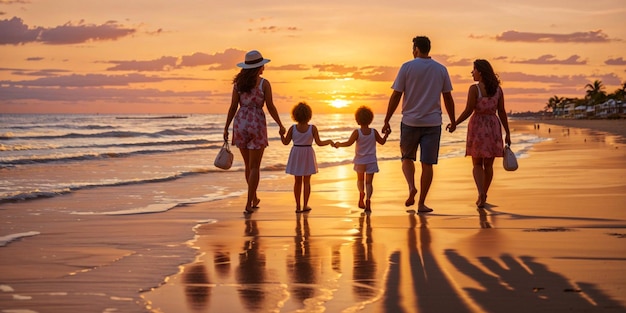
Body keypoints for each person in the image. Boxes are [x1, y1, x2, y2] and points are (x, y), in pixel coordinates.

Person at [382, 35, 456, 213]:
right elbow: (447, 97)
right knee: (427, 164)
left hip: (410, 122)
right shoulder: (441, 69)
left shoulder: (407, 67)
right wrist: (453, 120)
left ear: (416, 48)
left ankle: (411, 187)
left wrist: (386, 119)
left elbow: (396, 95)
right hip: (433, 122)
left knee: (407, 158)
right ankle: (422, 203)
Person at [224, 50, 286, 215]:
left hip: (240, 122)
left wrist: (226, 127)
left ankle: (254, 198)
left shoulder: (238, 84)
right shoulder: (263, 83)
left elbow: (232, 107)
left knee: (248, 166)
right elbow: (270, 106)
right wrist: (280, 124)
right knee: (255, 167)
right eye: (263, 65)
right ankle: (248, 203)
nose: (264, 68)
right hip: (256, 123)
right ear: (259, 66)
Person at [448, 59, 511, 208]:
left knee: (477, 164)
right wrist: (507, 132)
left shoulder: (474, 89)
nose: (472, 73)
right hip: (493, 127)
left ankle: (480, 192)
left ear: (480, 72)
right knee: (488, 165)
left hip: (477, 127)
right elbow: (501, 111)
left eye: (474, 70)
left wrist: (455, 123)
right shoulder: (498, 90)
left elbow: (469, 110)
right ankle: (484, 193)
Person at [333, 106, 389, 212]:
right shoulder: (373, 132)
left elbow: (349, 143)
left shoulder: (357, 132)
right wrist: (386, 135)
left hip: (360, 161)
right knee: (369, 183)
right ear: (370, 119)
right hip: (371, 160)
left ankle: (361, 194)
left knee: (360, 180)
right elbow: (382, 142)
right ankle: (368, 200)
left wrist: (338, 144)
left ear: (358, 119)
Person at [281, 102, 333, 213]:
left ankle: (297, 206)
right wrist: (329, 141)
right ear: (309, 115)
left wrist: (281, 134)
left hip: (296, 152)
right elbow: (319, 143)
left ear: (295, 115)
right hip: (308, 153)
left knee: (297, 181)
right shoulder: (312, 128)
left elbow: (285, 142)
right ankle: (305, 205)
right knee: (307, 181)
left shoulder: (293, 128)